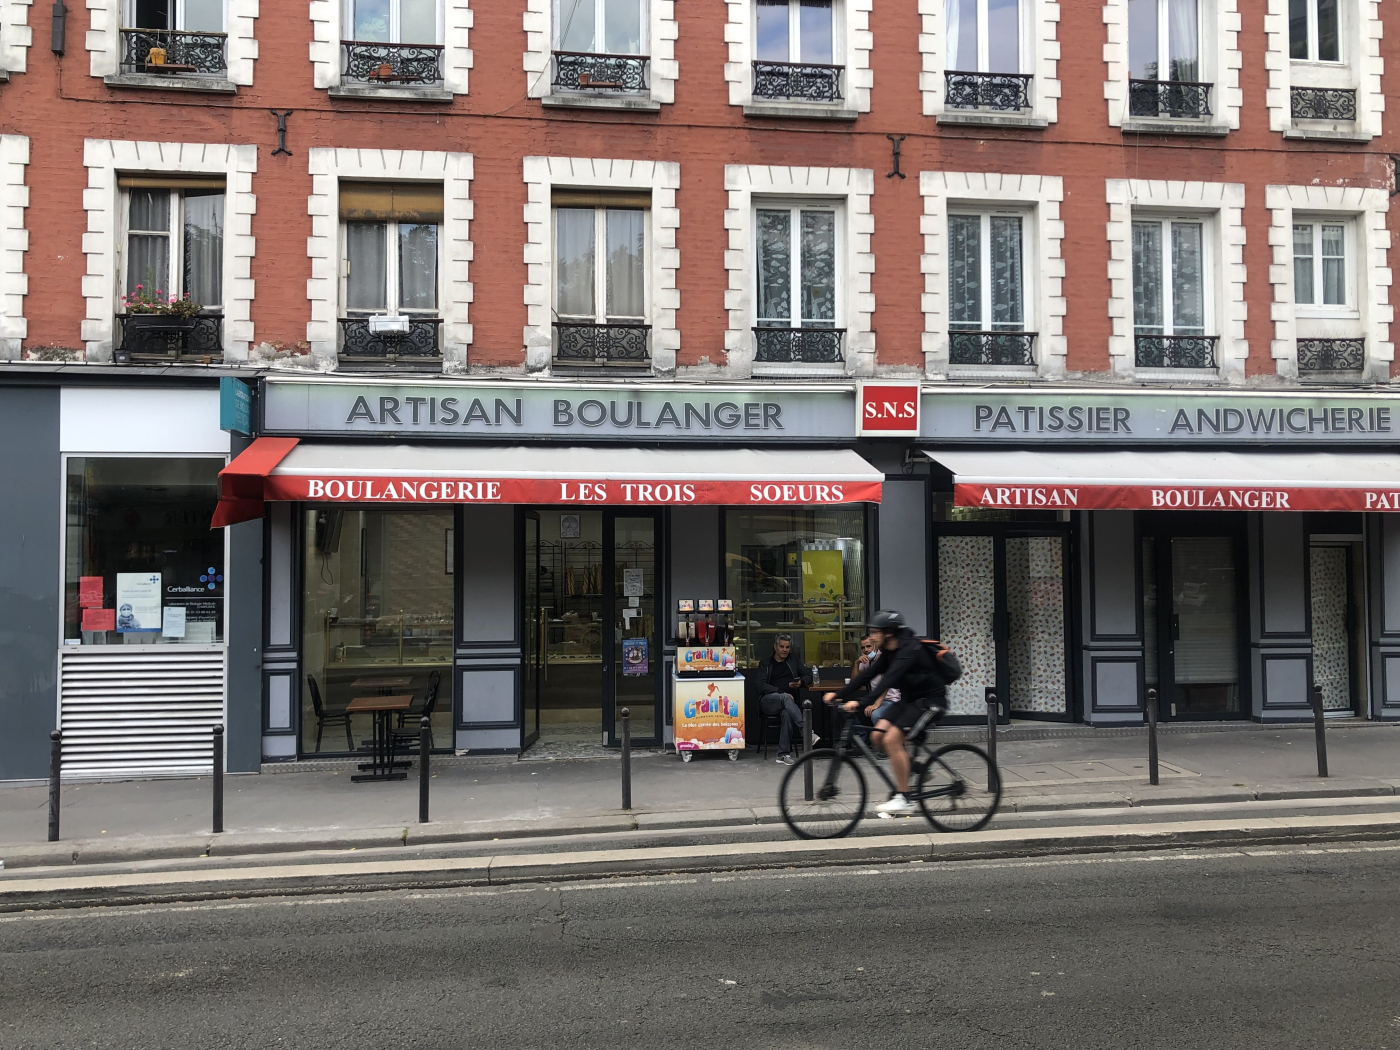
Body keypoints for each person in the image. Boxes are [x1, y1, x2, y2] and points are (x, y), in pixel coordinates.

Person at [824, 610, 953, 815]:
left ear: (889, 633)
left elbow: (888, 680)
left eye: (876, 632)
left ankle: (904, 798)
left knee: (892, 739)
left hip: (930, 702)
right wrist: (839, 694)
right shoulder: (889, 652)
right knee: (877, 735)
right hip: (908, 701)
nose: (872, 637)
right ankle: (916, 768)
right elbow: (868, 675)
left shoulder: (908, 650)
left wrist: (861, 702)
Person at [756, 634, 815, 765]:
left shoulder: (793, 660)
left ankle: (783, 754)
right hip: (768, 702)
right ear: (775, 646)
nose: (784, 650)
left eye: (787, 647)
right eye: (781, 647)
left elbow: (808, 674)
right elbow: (760, 685)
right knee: (785, 697)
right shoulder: (766, 663)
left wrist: (800, 682)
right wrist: (780, 692)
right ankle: (806, 731)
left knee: (787, 713)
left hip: (788, 705)